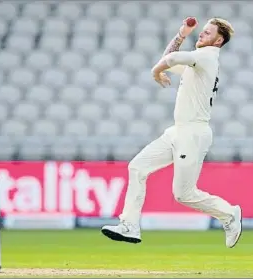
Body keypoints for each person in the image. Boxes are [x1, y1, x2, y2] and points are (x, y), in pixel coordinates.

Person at [101, 17, 242, 248]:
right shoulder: (197, 61)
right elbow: (168, 57)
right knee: (137, 167)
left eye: (207, 33)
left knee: (183, 194)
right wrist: (181, 35)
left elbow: (171, 59)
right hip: (178, 131)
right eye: (202, 32)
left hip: (193, 133)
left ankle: (229, 214)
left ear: (218, 40)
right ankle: (129, 225)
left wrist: (156, 72)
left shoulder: (207, 56)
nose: (202, 35)